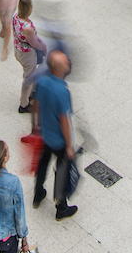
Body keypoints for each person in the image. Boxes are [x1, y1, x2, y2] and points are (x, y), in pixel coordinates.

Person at [32, 49, 78, 220]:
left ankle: (38, 193)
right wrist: (69, 146)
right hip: (58, 140)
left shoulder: (42, 81)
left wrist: (36, 124)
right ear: (59, 69)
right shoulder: (62, 91)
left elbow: (36, 103)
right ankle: (61, 206)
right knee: (61, 171)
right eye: (66, 62)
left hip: (45, 133)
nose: (69, 63)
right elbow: (64, 121)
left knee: (43, 164)